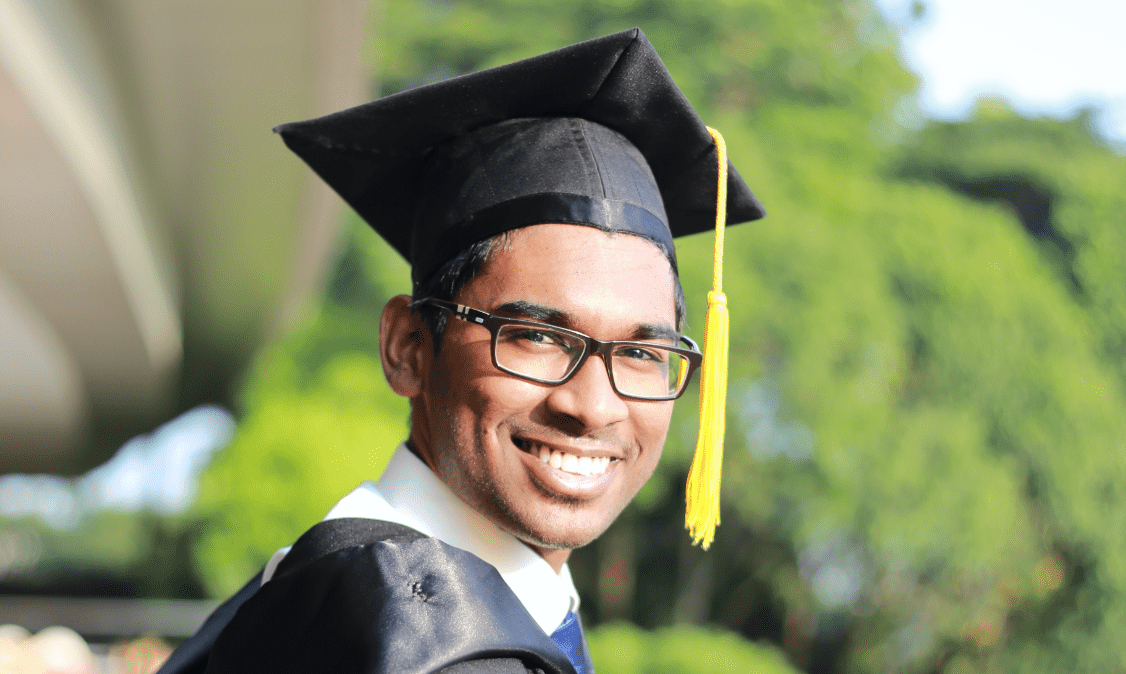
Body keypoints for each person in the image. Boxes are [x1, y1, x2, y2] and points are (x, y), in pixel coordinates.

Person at [157, 27, 763, 674]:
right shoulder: (408, 641)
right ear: (408, 348)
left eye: (643, 353)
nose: (593, 406)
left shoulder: (318, 601)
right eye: (537, 337)